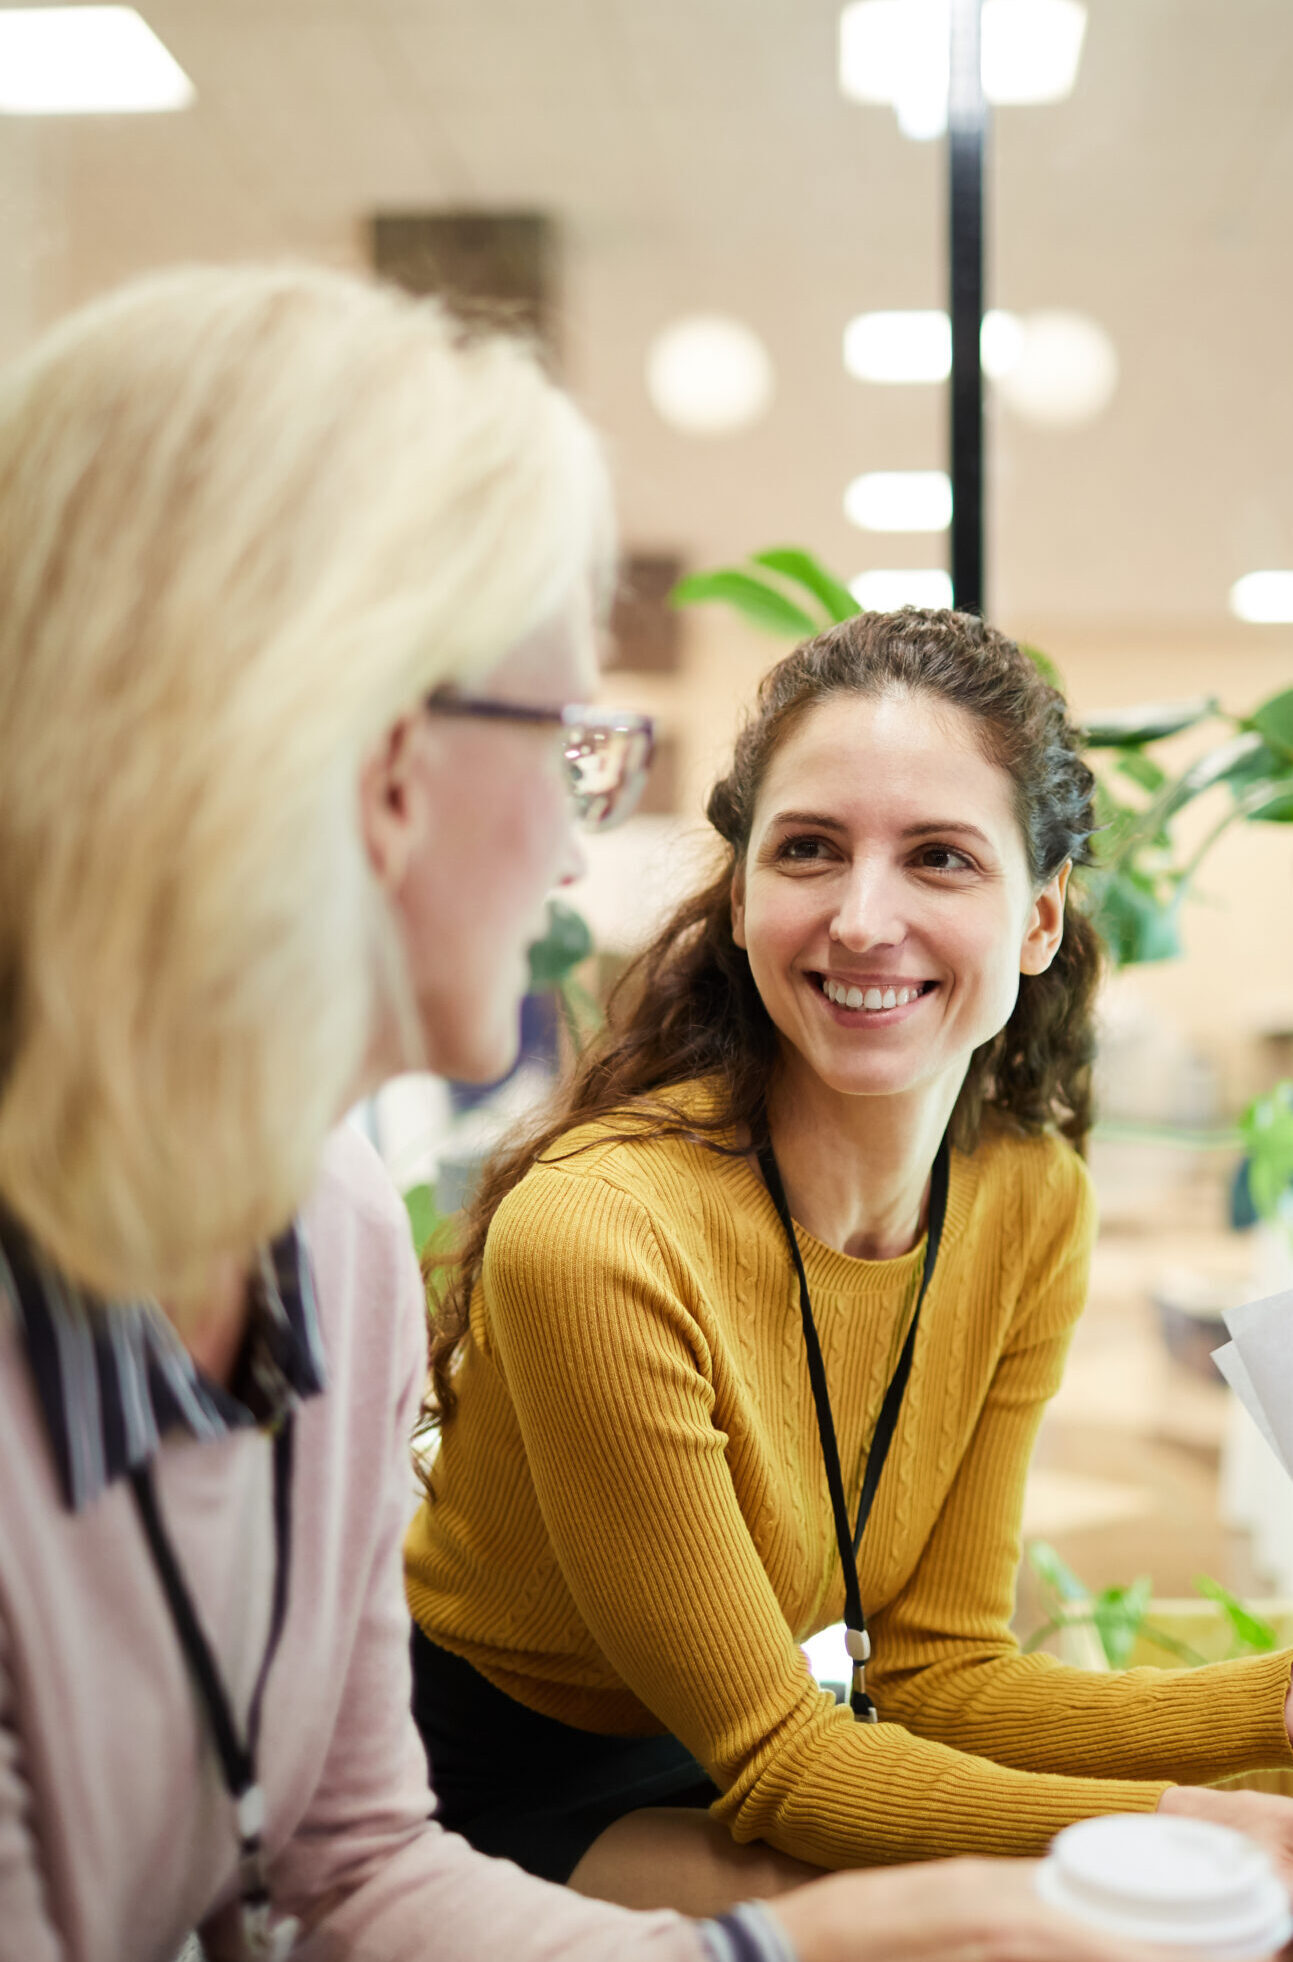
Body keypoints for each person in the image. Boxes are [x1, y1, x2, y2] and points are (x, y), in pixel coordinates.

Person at [0, 262, 1190, 1962]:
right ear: (371, 762)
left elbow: (348, 1862)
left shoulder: (326, 1233)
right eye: (565, 740)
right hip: (550, 1784)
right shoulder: (573, 1227)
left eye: (940, 857)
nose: (579, 847)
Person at [405, 607, 1293, 1910]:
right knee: (1102, 1915)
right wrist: (1200, 1825)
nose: (863, 919)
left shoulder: (1028, 1196)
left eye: (939, 857)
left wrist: (1276, 1708)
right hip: (493, 1788)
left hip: (752, 1749)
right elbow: (781, 1760)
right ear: (743, 894)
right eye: (809, 849)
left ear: (1040, 918)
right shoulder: (602, 1233)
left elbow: (938, 1668)